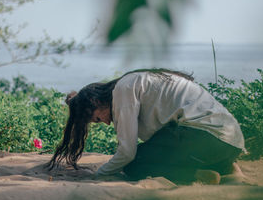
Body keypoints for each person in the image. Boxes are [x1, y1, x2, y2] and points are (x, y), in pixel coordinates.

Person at [47, 69, 246, 184]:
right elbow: (159, 144)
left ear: (96, 101)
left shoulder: (123, 91)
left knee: (136, 164)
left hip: (204, 137)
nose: (106, 123)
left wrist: (99, 174)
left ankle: (196, 176)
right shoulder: (137, 83)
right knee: (151, 152)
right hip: (230, 143)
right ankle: (227, 168)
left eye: (98, 119)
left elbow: (127, 152)